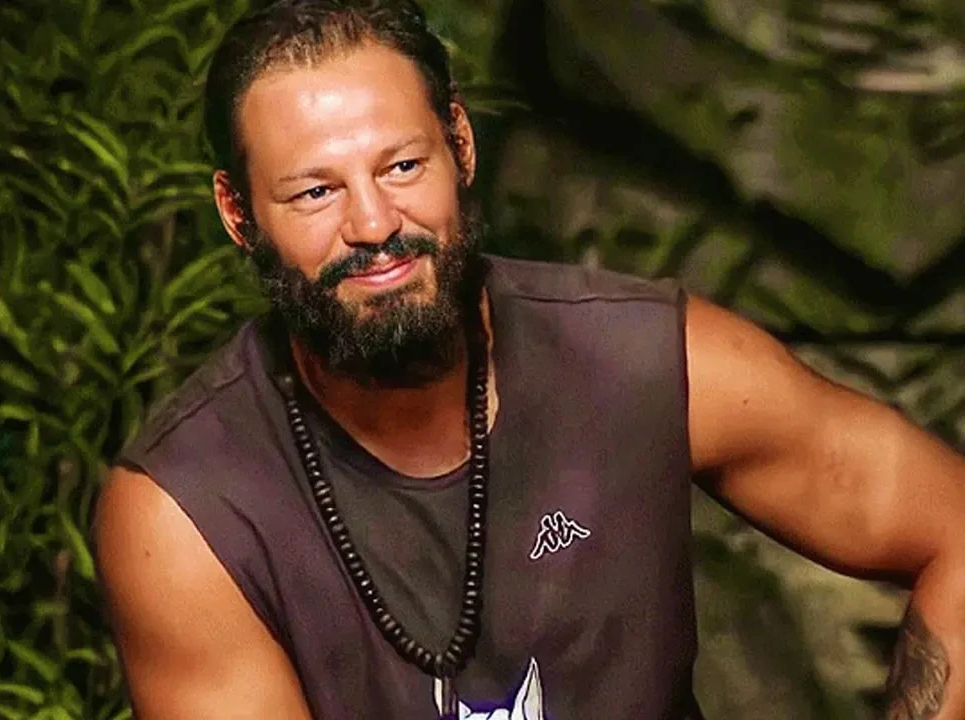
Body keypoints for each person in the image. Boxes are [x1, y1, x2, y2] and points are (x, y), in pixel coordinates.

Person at [92, 1, 965, 717]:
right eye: (316, 191)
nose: (373, 224)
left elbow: (952, 525)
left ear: (461, 147)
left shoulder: (643, 358)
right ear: (239, 214)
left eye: (403, 166)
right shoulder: (189, 512)